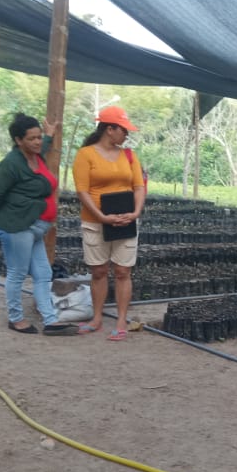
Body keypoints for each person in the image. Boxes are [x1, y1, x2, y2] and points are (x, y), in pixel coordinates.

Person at [0, 112, 78, 336]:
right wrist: (13, 212)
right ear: (18, 140)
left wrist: (48, 136)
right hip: (18, 226)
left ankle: (50, 320)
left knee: (43, 273)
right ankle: (15, 318)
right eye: (32, 138)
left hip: (36, 227)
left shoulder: (36, 156)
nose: (37, 142)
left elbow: (42, 146)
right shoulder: (10, 164)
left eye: (38, 137)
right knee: (17, 273)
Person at [72, 106, 146, 341]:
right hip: (95, 221)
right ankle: (96, 318)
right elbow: (82, 190)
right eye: (123, 130)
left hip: (125, 220)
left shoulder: (129, 155)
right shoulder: (86, 155)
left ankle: (122, 320)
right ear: (109, 129)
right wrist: (101, 217)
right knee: (99, 270)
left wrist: (135, 212)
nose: (126, 134)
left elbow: (139, 186)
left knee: (123, 271)